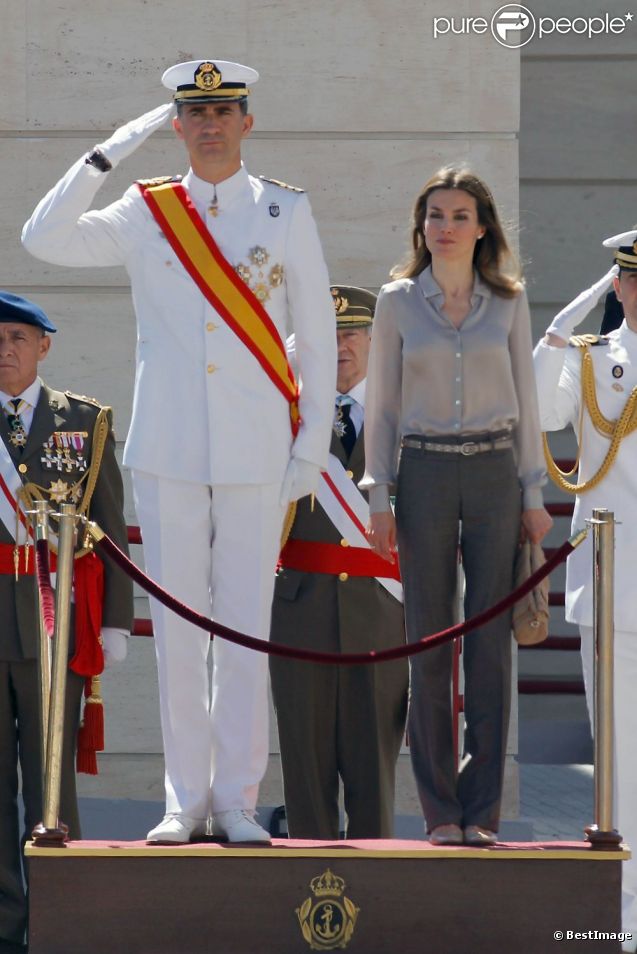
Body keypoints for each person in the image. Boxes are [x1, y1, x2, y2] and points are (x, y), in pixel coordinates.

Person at [22, 59, 336, 845]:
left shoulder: (282, 210)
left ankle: (233, 800)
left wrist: (310, 444)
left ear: (246, 122)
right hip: (167, 450)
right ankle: (181, 801)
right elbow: (43, 238)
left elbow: (319, 340)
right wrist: (106, 154)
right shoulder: (143, 210)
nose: (209, 124)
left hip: (257, 449)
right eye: (194, 112)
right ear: (175, 126)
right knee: (181, 631)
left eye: (224, 110)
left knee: (240, 629)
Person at [362, 166, 552, 847]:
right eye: (434, 214)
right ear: (421, 227)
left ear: (482, 228)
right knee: (428, 645)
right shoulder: (395, 301)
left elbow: (527, 401)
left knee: (489, 649)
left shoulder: (507, 299)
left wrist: (533, 493)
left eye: (459, 215)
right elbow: (380, 407)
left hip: (496, 471)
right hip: (424, 475)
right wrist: (376, 494)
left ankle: (483, 813)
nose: (445, 226)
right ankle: (440, 811)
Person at [0, 292, 133, 954]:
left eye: (18, 338)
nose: (5, 350)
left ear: (44, 346)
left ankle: (62, 917)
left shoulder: (84, 421)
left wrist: (115, 623)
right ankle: (4, 924)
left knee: (51, 788)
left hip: (55, 624)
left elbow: (108, 532)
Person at [269, 285, 408, 840]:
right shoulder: (285, 417)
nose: (341, 346)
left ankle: (379, 901)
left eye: (351, 333)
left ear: (376, 341)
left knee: (375, 772)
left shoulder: (407, 416)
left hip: (382, 613)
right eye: (328, 336)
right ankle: (309, 897)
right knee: (305, 769)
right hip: (299, 612)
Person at [533, 230, 637, 952]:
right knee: (619, 757)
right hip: (614, 584)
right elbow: (542, 415)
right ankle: (624, 905)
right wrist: (556, 330)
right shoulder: (590, 359)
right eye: (631, 281)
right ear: (619, 287)